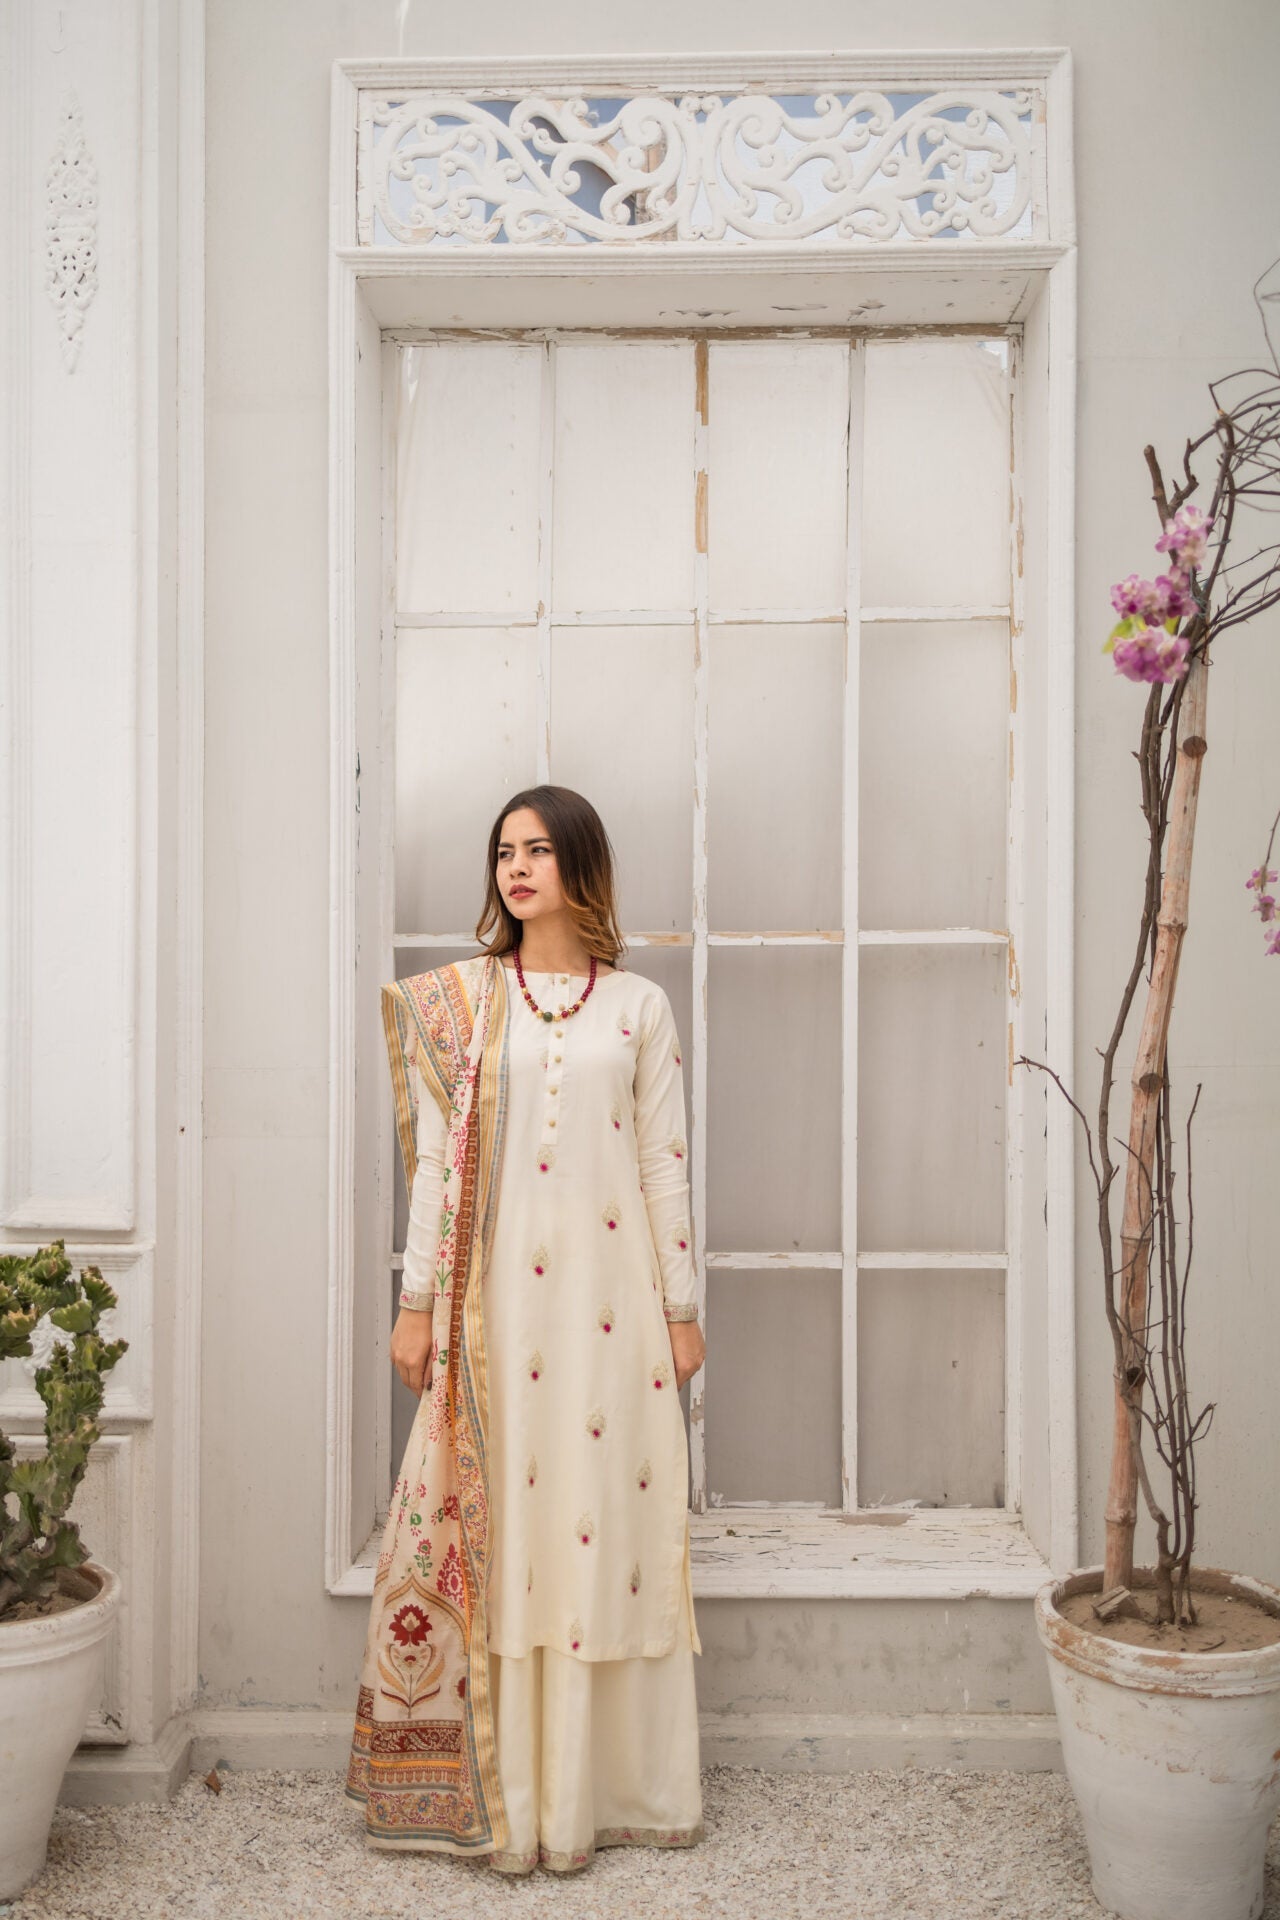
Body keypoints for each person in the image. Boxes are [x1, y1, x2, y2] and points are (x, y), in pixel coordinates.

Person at [345, 783, 707, 1874]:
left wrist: (681, 1311)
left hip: (610, 1314)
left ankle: (593, 1797)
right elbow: (435, 1169)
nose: (516, 867)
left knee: (597, 1524)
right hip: (490, 1313)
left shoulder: (637, 1007)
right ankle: (506, 1801)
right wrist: (415, 1304)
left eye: (539, 850)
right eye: (505, 850)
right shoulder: (465, 1003)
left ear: (580, 866)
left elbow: (663, 1165)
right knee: (502, 1524)